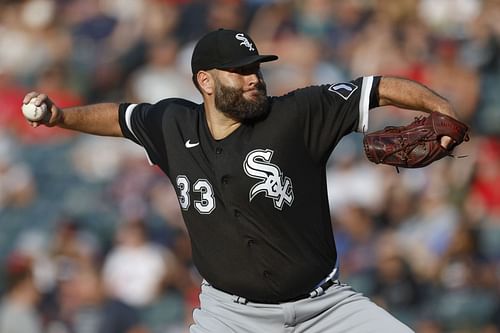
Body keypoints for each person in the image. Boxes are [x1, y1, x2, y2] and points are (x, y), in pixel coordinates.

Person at [23, 28, 460, 332]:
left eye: (257, 67)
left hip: (325, 309)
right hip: (230, 318)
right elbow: (120, 118)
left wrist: (440, 106)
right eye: (241, 69)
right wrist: (62, 117)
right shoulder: (173, 123)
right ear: (206, 81)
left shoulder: (297, 114)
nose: (254, 77)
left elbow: (377, 87)